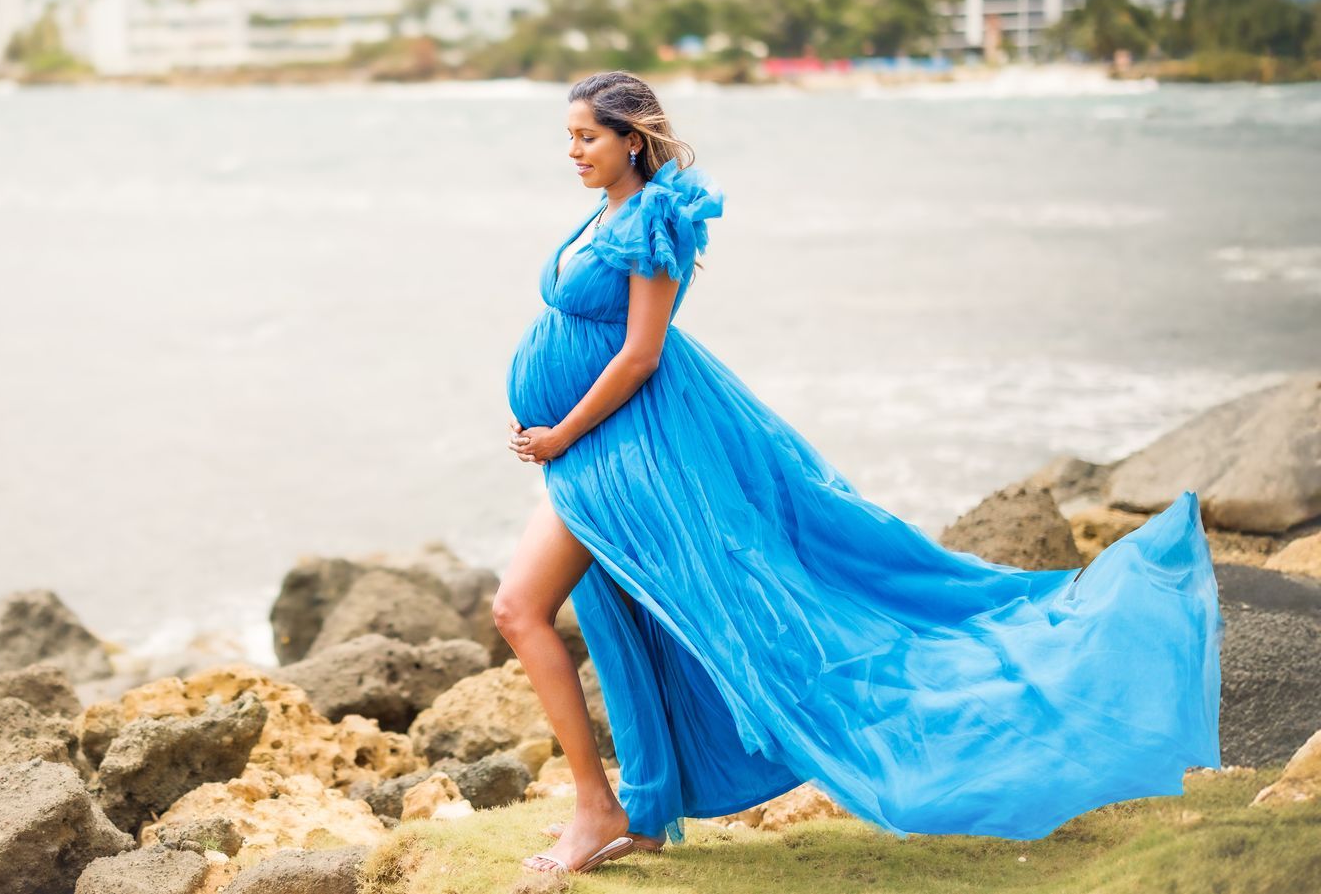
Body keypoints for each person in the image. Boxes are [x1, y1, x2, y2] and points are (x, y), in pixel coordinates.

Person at [498, 70, 1223, 877]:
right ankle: (635, 802)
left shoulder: (657, 216)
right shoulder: (602, 211)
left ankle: (598, 808)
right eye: (568, 137)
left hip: (629, 449)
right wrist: (540, 414)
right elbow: (582, 327)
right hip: (591, 446)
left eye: (587, 137)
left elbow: (641, 352)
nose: (573, 151)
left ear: (632, 138)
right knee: (618, 618)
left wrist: (561, 429)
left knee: (520, 607)